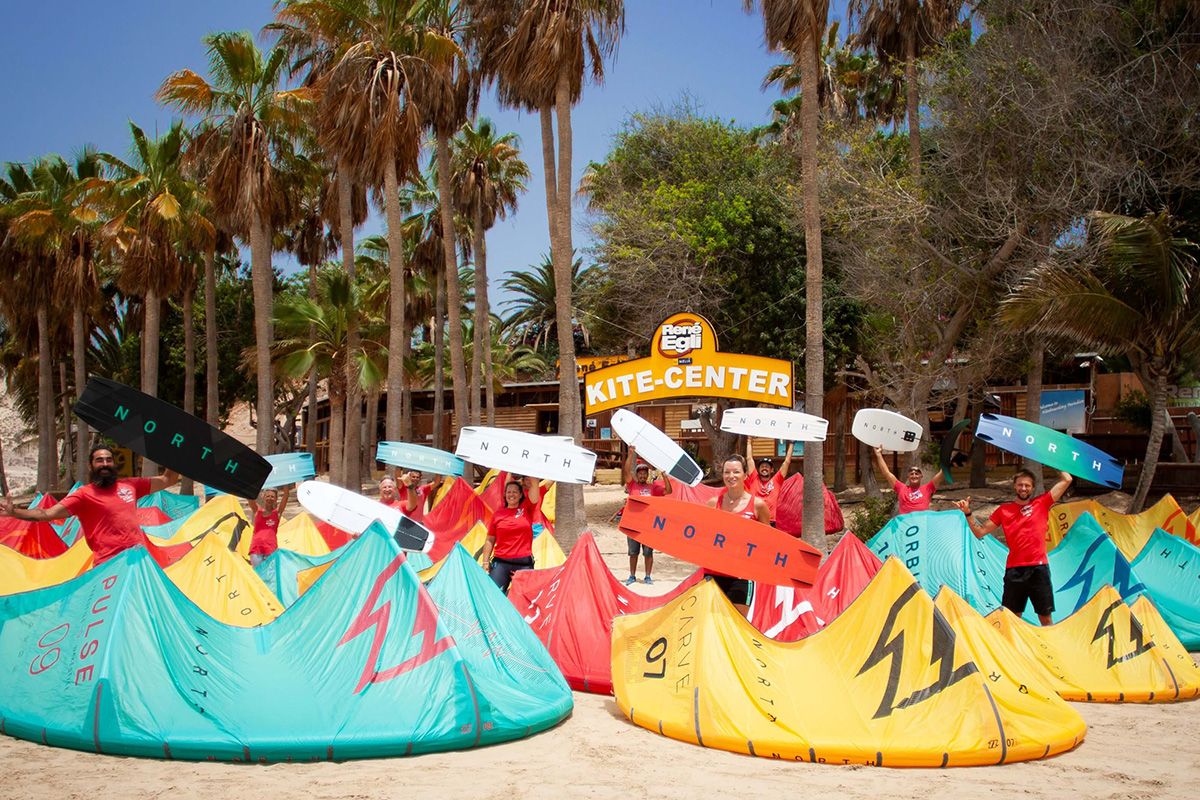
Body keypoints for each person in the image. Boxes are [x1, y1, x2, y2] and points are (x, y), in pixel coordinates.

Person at [0, 445, 179, 565]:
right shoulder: (84, 495)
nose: (105, 464)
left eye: (108, 460)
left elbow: (167, 479)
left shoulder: (131, 485)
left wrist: (175, 451)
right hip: (108, 565)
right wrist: (14, 512)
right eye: (99, 460)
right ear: (90, 465)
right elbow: (47, 514)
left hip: (138, 559)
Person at [954, 468, 1073, 626]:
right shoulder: (1004, 510)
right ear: (1015, 486)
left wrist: (1052, 460)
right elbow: (980, 531)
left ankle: (1048, 649)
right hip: (1015, 570)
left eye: (1027, 485)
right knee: (1011, 617)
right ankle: (1011, 648)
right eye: (1020, 485)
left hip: (1039, 568)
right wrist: (968, 513)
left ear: (1032, 487)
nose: (1023, 488)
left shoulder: (1042, 502)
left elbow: (1067, 479)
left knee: (1045, 617)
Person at [705, 454, 771, 617]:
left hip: (742, 576)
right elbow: (705, 537)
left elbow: (768, 541)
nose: (731, 476)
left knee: (736, 624)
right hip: (713, 573)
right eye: (727, 472)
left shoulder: (758, 505)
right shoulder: (713, 503)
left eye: (736, 472)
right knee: (712, 622)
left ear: (745, 475)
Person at [622, 445, 673, 586]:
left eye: (645, 473)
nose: (643, 475)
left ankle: (647, 576)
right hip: (633, 524)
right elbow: (626, 470)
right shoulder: (632, 485)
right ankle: (632, 575)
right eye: (640, 473)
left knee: (648, 553)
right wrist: (631, 454)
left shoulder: (653, 488)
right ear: (637, 475)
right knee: (633, 552)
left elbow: (668, 491)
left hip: (648, 526)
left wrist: (665, 477)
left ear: (648, 475)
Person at [480, 479, 542, 593]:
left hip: (524, 563)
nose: (511, 494)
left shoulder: (527, 509)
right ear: (505, 495)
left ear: (520, 495)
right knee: (494, 595)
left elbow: (534, 487)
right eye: (509, 492)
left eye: (515, 492)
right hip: (501, 563)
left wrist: (534, 479)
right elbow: (489, 539)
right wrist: (485, 562)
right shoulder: (497, 515)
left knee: (526, 597)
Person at [871, 445, 945, 514]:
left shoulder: (927, 488)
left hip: (921, 525)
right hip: (905, 525)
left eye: (916, 474)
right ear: (908, 476)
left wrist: (947, 456)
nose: (914, 475)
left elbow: (941, 475)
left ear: (921, 476)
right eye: (911, 474)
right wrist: (878, 455)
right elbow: (887, 473)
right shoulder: (901, 488)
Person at [745, 438, 793, 522]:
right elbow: (749, 458)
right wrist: (749, 440)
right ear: (758, 469)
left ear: (771, 470)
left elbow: (787, 462)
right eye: (762, 467)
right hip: (754, 520)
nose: (764, 468)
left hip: (770, 521)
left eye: (767, 467)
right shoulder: (754, 479)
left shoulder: (777, 480)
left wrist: (792, 444)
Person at [246, 485, 289, 567]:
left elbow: (285, 496)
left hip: (271, 549)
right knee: (259, 575)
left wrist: (285, 482)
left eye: (272, 497)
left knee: (271, 576)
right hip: (256, 549)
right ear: (264, 498)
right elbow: (249, 497)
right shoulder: (257, 511)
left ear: (276, 499)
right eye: (268, 496)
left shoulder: (277, 513)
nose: (270, 498)